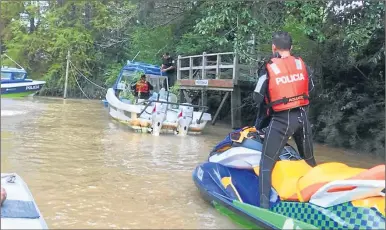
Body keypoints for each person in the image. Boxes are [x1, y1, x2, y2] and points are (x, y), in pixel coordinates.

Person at [253, 31, 317, 209]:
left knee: (266, 164)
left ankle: (263, 209)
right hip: (302, 117)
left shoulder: (268, 67)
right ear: (292, 47)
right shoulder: (301, 64)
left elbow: (257, 97)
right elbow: (311, 88)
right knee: (309, 161)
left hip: (282, 119)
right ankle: (316, 202)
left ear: (274, 47)